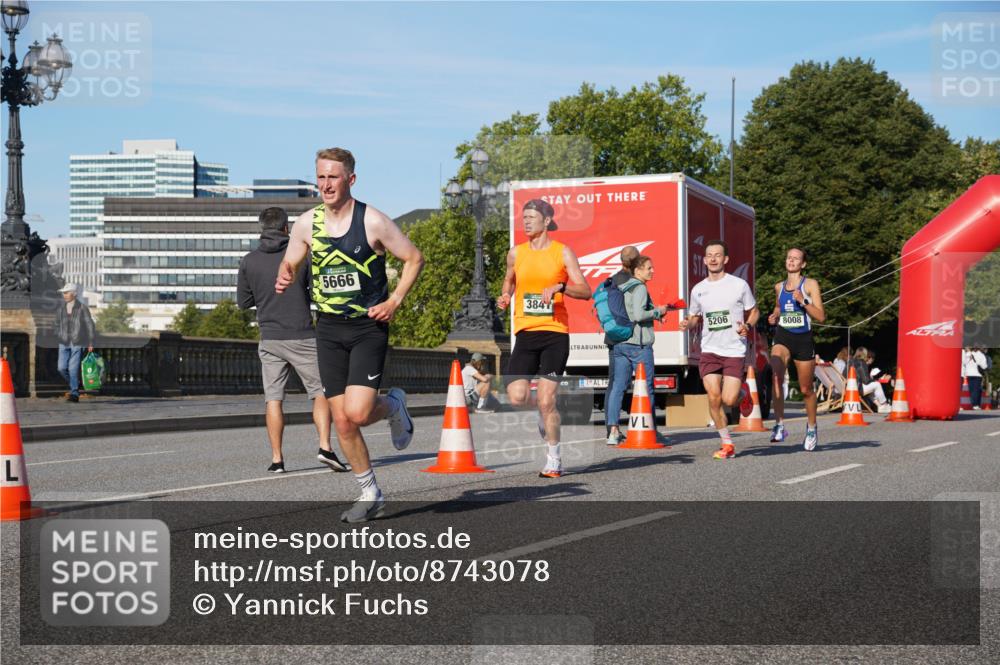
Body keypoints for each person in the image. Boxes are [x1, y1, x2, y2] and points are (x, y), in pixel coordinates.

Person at [276, 147, 424, 523]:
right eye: (321, 176)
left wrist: (395, 300)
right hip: (327, 328)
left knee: (356, 413)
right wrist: (287, 271)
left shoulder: (372, 220)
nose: (325, 184)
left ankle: (393, 405)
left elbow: (414, 257)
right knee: (340, 421)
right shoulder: (307, 223)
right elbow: (292, 256)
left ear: (350, 180)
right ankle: (369, 492)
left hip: (366, 327)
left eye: (333, 177)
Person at [238, 206, 349, 474]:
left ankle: (277, 460)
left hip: (270, 339)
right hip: (302, 335)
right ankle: (325, 447)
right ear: (286, 228)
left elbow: (243, 303)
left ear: (261, 228)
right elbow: (318, 294)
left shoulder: (249, 261)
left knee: (273, 399)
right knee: (320, 392)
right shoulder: (302, 256)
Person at [497, 199, 591, 478]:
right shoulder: (516, 253)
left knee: (547, 399)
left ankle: (554, 459)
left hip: (555, 333)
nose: (525, 221)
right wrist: (506, 295)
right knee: (516, 397)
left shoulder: (562, 253)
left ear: (547, 221)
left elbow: (585, 290)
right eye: (523, 217)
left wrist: (561, 287)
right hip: (525, 333)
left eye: (531, 217)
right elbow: (509, 280)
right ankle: (542, 414)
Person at [679, 240, 759, 460]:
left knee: (729, 399)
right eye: (709, 255)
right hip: (710, 349)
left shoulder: (738, 285)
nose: (713, 259)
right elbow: (695, 317)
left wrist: (748, 326)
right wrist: (689, 323)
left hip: (733, 349)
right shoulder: (699, 290)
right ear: (704, 260)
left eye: (717, 255)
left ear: (725, 260)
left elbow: (754, 311)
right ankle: (727, 443)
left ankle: (742, 394)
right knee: (713, 397)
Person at [604, 255, 670, 446]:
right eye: (649, 268)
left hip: (620, 343)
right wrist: (658, 311)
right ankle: (651, 431)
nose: (652, 271)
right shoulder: (640, 287)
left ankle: (613, 431)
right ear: (638, 270)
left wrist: (654, 315)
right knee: (647, 387)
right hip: (638, 346)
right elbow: (640, 315)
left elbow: (631, 313)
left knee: (618, 386)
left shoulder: (623, 287)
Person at [766, 248, 826, 451]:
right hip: (783, 336)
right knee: (775, 375)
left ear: (803, 264)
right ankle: (780, 425)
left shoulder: (810, 284)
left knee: (806, 389)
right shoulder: (779, 287)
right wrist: (774, 316)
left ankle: (811, 428)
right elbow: (778, 307)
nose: (791, 261)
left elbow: (821, 316)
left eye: (796, 258)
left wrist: (804, 301)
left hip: (803, 339)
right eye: (789, 257)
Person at [601, 245, 640, 444]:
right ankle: (614, 430)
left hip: (613, 337)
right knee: (636, 383)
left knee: (614, 383)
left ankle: (611, 428)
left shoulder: (612, 280)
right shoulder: (633, 282)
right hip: (630, 338)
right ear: (637, 262)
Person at [54, 283, 95, 403]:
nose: (64, 295)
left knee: (73, 369)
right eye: (63, 293)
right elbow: (56, 324)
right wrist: (58, 334)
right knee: (61, 368)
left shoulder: (82, 308)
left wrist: (91, 342)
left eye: (66, 293)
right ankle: (76, 383)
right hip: (63, 342)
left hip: (78, 342)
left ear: (74, 294)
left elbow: (90, 325)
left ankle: (74, 393)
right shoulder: (61, 308)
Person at [850, 347, 890, 413]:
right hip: (856, 388)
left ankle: (880, 406)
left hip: (849, 387)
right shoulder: (861, 362)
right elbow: (866, 381)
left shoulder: (851, 361)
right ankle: (884, 405)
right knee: (877, 384)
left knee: (872, 387)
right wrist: (876, 380)